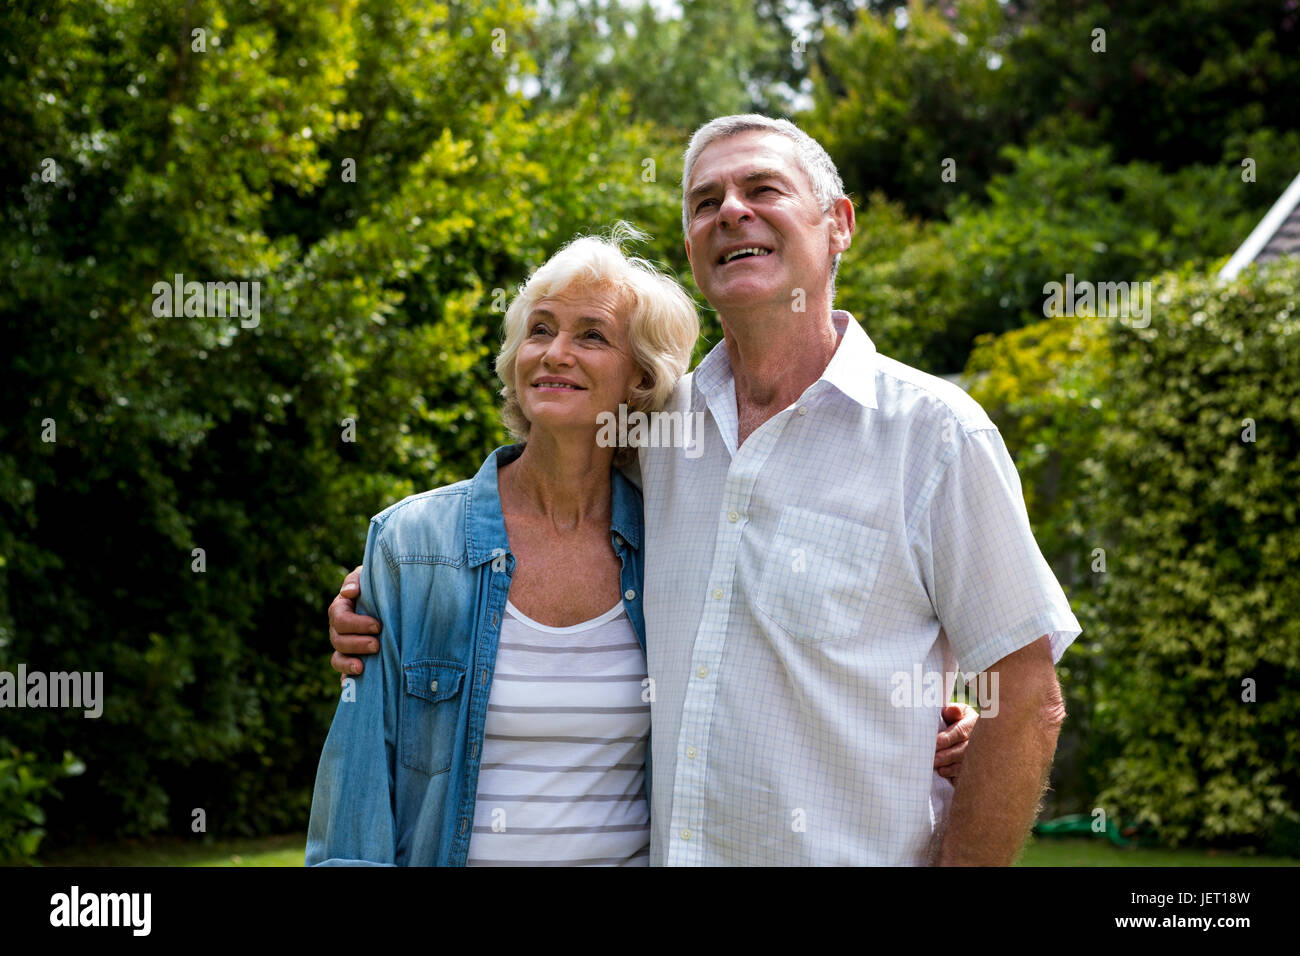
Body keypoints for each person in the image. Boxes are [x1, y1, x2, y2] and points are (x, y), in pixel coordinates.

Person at [331, 114, 1065, 866]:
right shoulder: (657, 430)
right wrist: (388, 585)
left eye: (762, 188)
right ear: (691, 246)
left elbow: (1027, 694)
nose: (732, 212)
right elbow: (535, 510)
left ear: (838, 224)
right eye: (706, 200)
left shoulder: (935, 437)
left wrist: (964, 733)